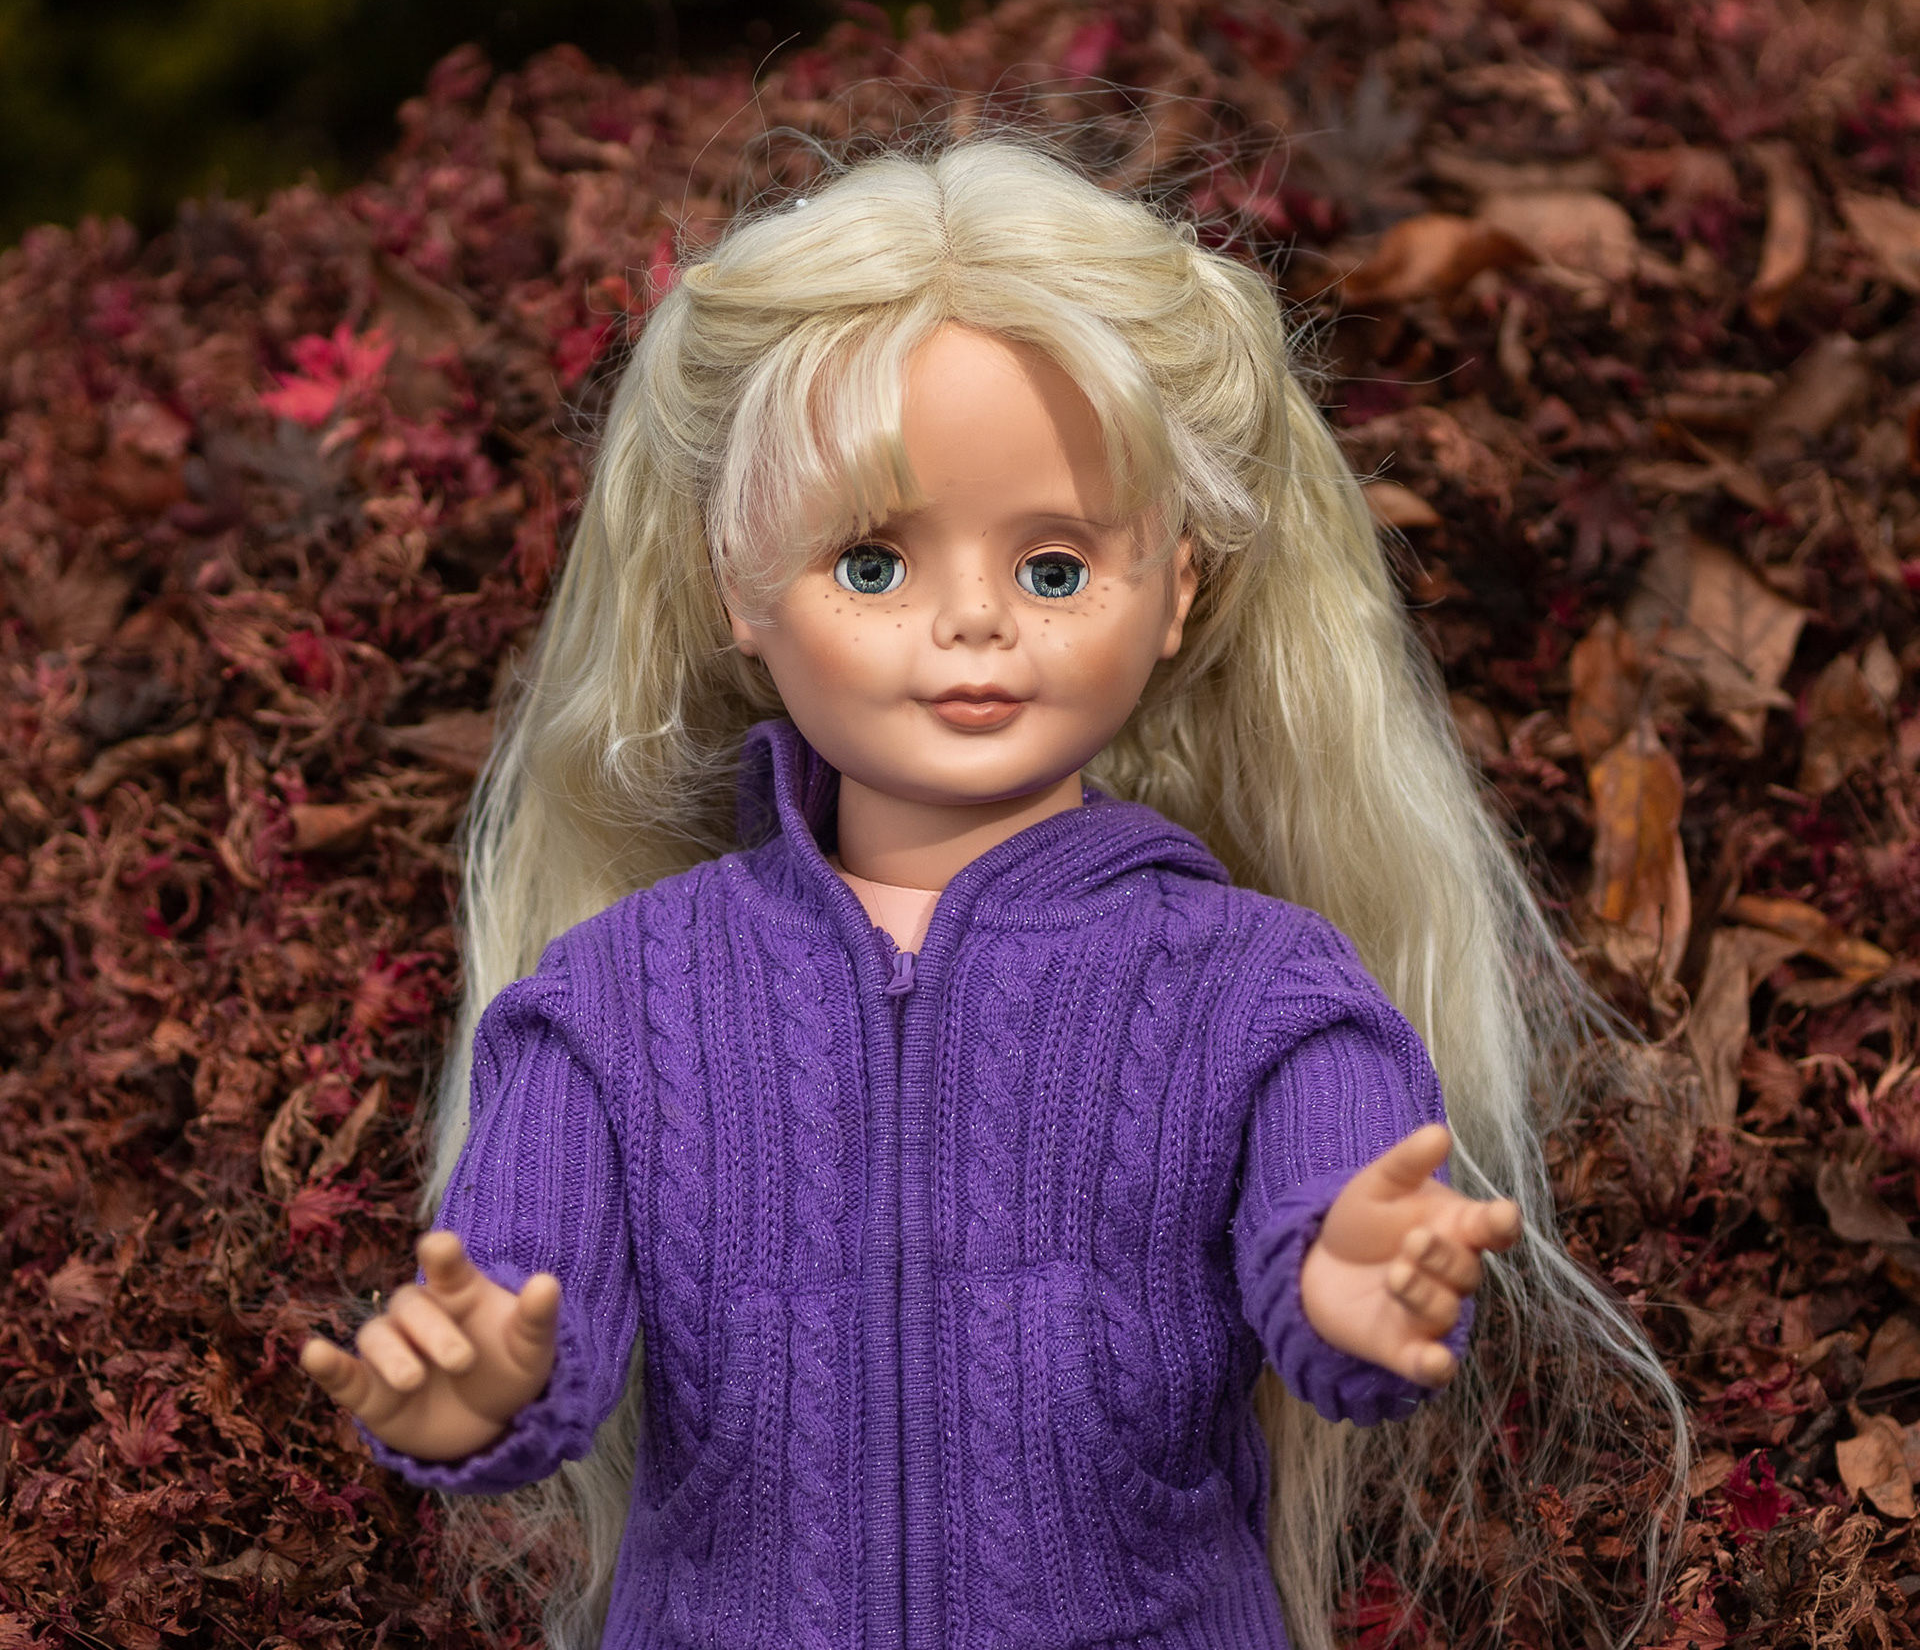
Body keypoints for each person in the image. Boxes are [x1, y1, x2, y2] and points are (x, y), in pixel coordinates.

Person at [298, 140, 1684, 1650]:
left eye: (1055, 568)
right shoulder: (614, 1002)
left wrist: (1353, 1277)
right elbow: (521, 1299)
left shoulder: (1262, 994)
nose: (971, 622)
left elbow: (1341, 1212)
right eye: (872, 565)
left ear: (1181, 588)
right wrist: (476, 1384)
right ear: (735, 585)